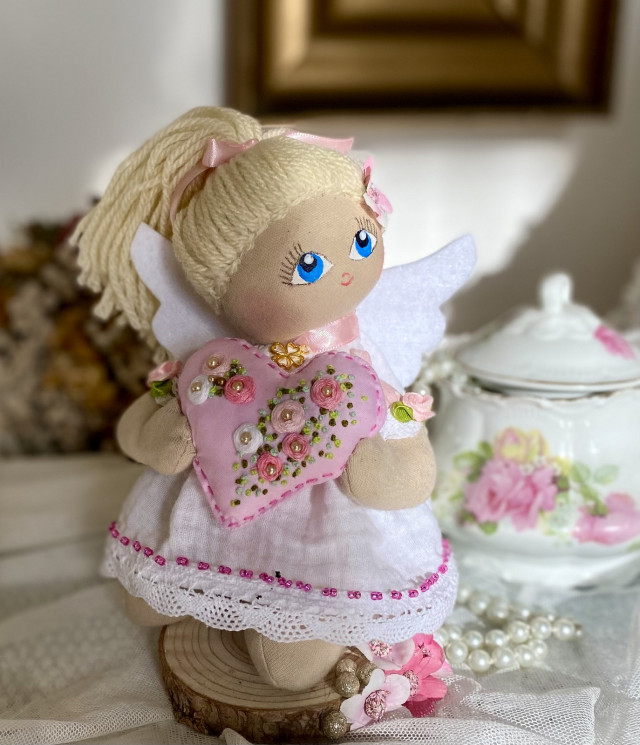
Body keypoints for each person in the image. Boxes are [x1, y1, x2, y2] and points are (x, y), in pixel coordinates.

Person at [72, 106, 456, 692]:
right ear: (221, 291)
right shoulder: (211, 367)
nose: (346, 273)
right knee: (147, 600)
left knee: (291, 661)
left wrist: (387, 472)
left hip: (323, 542)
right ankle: (184, 582)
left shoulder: (362, 370)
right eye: (309, 265)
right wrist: (160, 434)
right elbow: (138, 426)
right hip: (217, 499)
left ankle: (306, 617)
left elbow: (408, 445)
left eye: (361, 240)